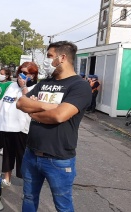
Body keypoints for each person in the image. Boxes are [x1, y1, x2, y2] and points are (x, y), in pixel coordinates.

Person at [16, 41, 92, 212]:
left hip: (58, 158)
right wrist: (47, 106)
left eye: (50, 56)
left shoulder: (79, 86)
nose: (46, 60)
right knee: (28, 197)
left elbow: (59, 116)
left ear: (62, 57)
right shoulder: (45, 82)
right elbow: (21, 103)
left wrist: (34, 109)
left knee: (63, 206)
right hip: (31, 153)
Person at [0, 62, 38, 188]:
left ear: (33, 75)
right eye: (20, 72)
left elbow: (30, 103)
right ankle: (6, 178)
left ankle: (27, 185)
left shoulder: (35, 87)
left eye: (25, 73)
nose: (21, 75)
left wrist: (24, 87)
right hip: (8, 127)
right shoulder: (12, 85)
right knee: (8, 154)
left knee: (23, 157)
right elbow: (4, 102)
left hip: (23, 129)